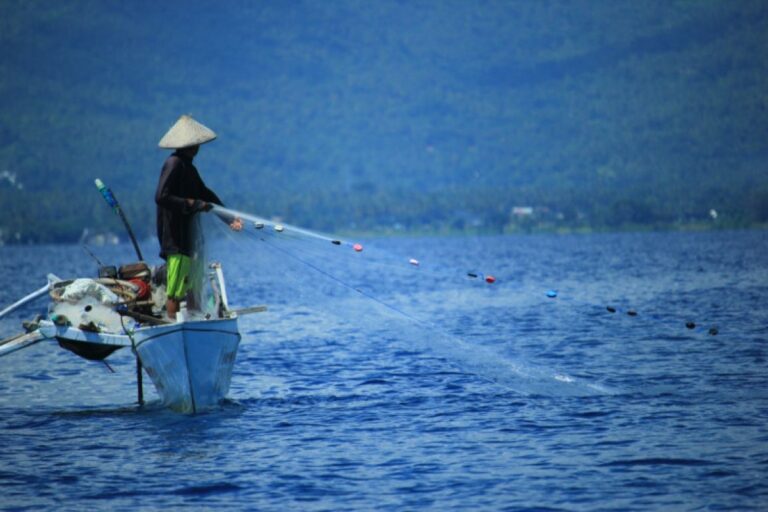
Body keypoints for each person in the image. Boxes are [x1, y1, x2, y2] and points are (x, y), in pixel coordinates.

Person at [155, 114, 241, 320]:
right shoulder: (174, 164)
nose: (198, 147)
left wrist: (228, 218)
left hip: (190, 237)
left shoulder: (189, 168)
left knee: (194, 284)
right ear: (188, 145)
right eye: (196, 144)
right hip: (175, 239)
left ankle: (194, 320)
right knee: (175, 289)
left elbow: (205, 194)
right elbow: (161, 197)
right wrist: (191, 204)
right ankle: (174, 324)